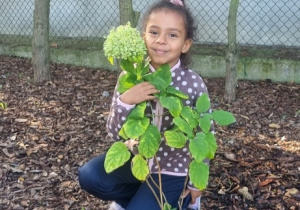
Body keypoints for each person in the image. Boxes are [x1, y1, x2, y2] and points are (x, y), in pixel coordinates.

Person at [78, 0, 213, 209]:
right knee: (89, 175)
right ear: (143, 36)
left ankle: (181, 201)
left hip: (172, 169)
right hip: (136, 158)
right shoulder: (131, 75)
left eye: (172, 35)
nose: (161, 41)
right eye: (154, 32)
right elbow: (115, 134)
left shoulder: (192, 84)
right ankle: (141, 200)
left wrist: (197, 183)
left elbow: (205, 134)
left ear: (186, 44)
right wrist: (126, 101)